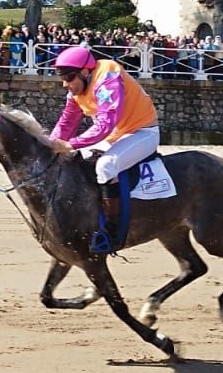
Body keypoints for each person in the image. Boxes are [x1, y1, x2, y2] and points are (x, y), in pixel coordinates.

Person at [47, 44, 160, 239]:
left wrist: (71, 144)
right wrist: (51, 144)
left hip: (142, 133)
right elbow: (67, 121)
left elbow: (105, 124)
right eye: (62, 78)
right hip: (114, 137)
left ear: (84, 71)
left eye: (68, 78)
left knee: (105, 166)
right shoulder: (77, 88)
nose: (65, 84)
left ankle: (111, 229)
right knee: (75, 161)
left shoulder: (108, 75)